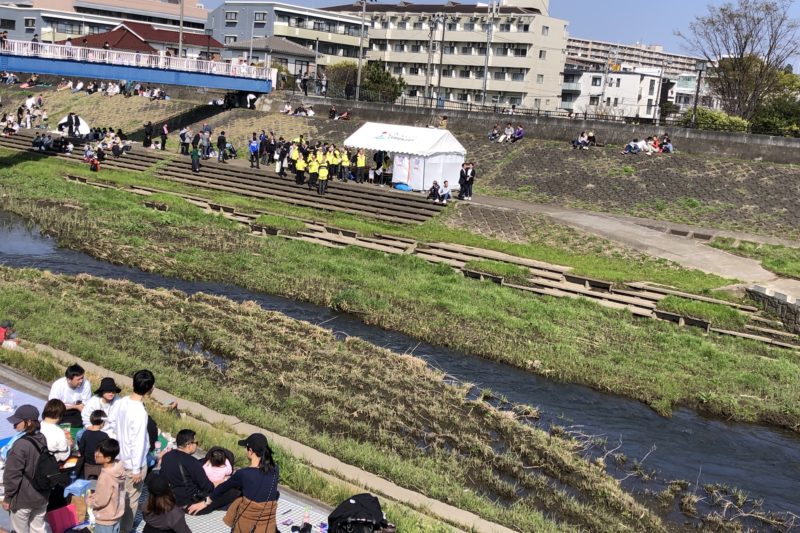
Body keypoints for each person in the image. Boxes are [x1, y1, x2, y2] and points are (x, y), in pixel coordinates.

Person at [187, 433, 279, 533]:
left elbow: (222, 488)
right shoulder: (275, 469)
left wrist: (205, 502)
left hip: (246, 526)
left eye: (246, 448)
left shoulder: (244, 474)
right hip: (268, 526)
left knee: (236, 493)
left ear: (250, 451)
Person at [106, 369, 155, 533]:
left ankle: (111, 524)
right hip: (133, 463)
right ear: (150, 389)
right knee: (130, 499)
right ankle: (124, 530)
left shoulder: (121, 402)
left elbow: (111, 424)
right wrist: (136, 469)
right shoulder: (140, 412)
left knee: (116, 494)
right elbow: (138, 442)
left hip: (118, 457)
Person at [2, 405, 51, 533]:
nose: (14, 425)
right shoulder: (42, 438)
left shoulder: (20, 444)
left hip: (23, 499)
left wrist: (8, 498)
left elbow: (12, 475)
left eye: (17, 422)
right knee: (39, 529)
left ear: (28, 422)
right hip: (41, 495)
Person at [159, 429, 215, 510]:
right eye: (196, 443)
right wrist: (219, 482)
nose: (197, 445)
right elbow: (207, 487)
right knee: (229, 492)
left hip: (168, 497)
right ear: (189, 445)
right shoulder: (193, 462)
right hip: (187, 503)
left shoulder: (167, 456)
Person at [87, 438, 125, 533]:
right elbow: (110, 493)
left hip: (105, 519)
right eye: (96, 451)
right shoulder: (118, 468)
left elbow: (100, 501)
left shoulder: (106, 476)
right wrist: (96, 494)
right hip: (115, 514)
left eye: (99, 454)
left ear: (108, 458)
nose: (95, 455)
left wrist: (90, 501)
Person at [78, 410, 109, 479]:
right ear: (102, 422)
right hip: (100, 465)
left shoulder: (85, 434)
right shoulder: (104, 436)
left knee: (89, 483)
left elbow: (81, 448)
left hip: (88, 464)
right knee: (100, 482)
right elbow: (107, 450)